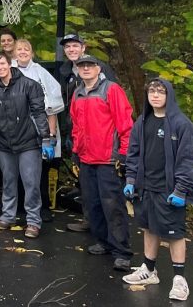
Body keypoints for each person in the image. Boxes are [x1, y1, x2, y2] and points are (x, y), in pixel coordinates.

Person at [122, 78, 193, 301]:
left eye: (160, 91)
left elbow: (189, 160)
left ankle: (179, 279)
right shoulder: (142, 121)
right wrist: (130, 179)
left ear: (169, 95)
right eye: (152, 91)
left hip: (170, 190)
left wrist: (181, 190)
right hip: (146, 187)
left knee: (175, 233)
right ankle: (148, 269)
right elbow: (133, 153)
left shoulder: (180, 124)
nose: (155, 95)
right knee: (148, 227)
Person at [70, 54, 133, 272]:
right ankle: (103, 242)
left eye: (90, 65)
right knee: (92, 203)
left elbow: (125, 124)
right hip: (86, 159)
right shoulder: (77, 92)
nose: (85, 69)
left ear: (98, 68)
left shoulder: (111, 90)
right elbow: (76, 126)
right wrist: (76, 151)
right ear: (77, 70)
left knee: (113, 206)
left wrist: (124, 155)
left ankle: (122, 251)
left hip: (108, 160)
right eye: (82, 66)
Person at [0, 52, 52, 238]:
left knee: (31, 183)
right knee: (8, 180)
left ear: (10, 63)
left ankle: (33, 221)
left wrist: (46, 138)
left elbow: (39, 113)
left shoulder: (29, 85)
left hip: (28, 141)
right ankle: (8, 215)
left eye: (2, 63)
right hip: (4, 143)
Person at [57, 32, 118, 233]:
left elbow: (114, 104)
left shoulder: (100, 69)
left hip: (101, 137)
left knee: (104, 184)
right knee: (84, 180)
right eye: (68, 47)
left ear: (84, 47)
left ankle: (108, 226)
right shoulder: (65, 71)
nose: (71, 50)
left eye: (75, 46)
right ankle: (90, 220)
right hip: (75, 131)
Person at [12, 38, 65, 222]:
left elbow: (52, 107)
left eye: (27, 49)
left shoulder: (41, 74)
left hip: (38, 129)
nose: (23, 52)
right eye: (19, 49)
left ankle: (41, 207)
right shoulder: (6, 71)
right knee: (17, 170)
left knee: (38, 170)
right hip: (15, 130)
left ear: (32, 53)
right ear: (14, 52)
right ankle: (18, 207)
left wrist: (49, 136)